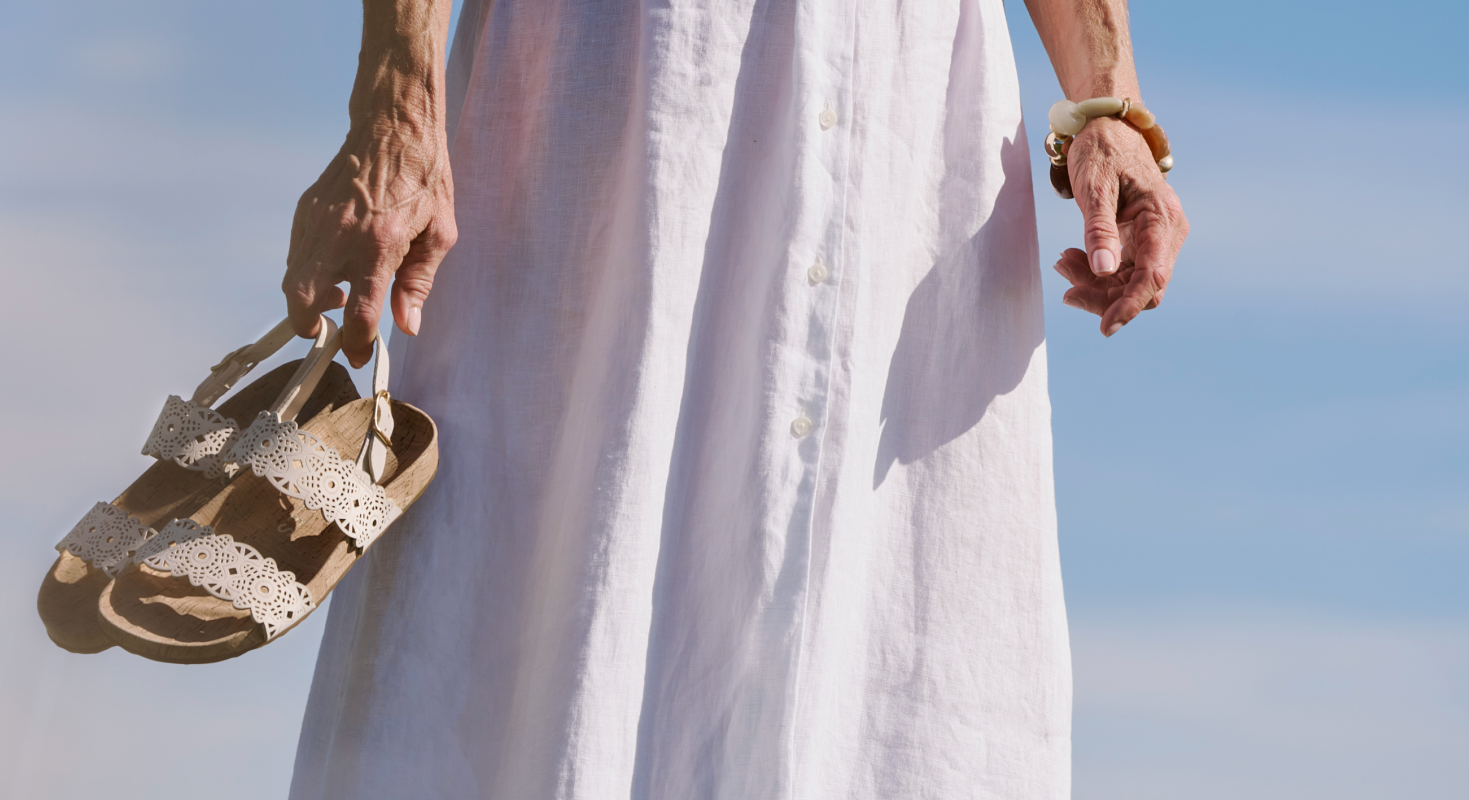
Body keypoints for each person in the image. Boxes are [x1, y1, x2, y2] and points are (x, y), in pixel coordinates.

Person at [279, 0, 1188, 796]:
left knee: (886, 677)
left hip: (909, 153)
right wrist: (396, 105)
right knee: (527, 625)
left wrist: (1111, 105)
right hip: (618, 113)